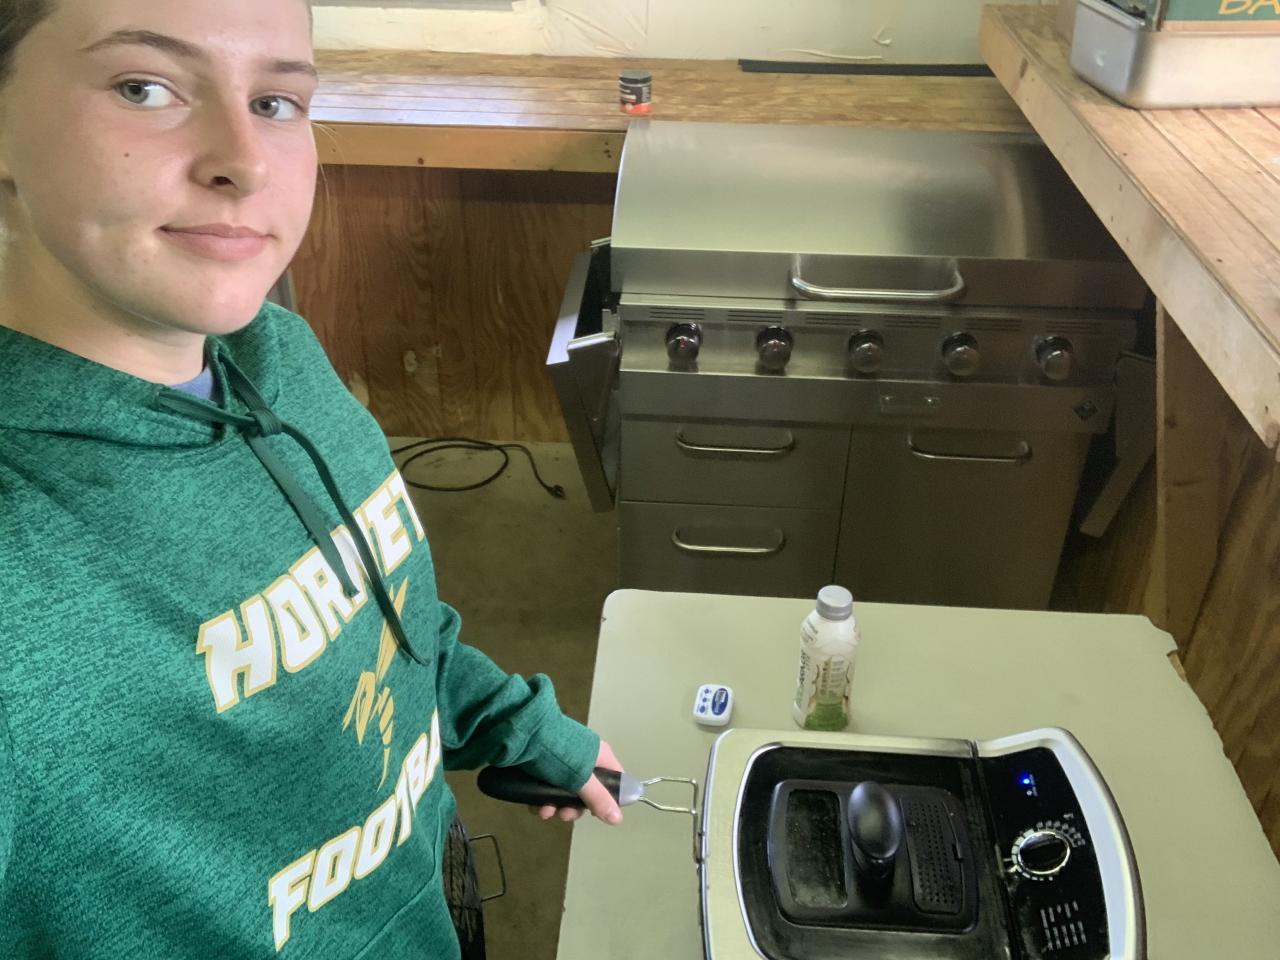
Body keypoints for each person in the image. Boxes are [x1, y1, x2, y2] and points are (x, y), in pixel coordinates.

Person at [0, 1, 623, 956]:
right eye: (144, 87)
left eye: (276, 102)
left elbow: (377, 611)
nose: (246, 162)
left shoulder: (275, 353)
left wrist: (514, 726)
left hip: (426, 892)